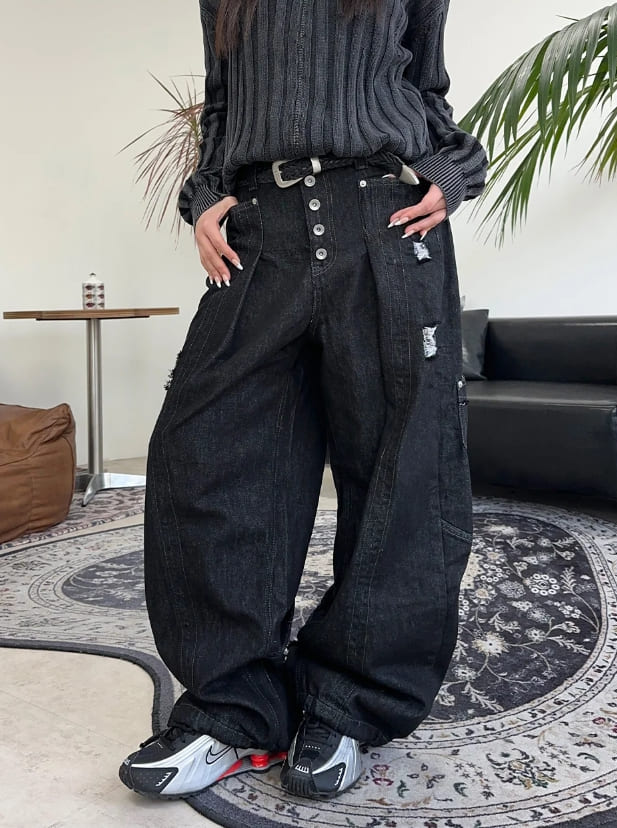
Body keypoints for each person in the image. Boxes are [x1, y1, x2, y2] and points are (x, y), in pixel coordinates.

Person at [119, 0, 488, 802]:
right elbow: (223, 104)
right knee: (203, 453)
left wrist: (453, 175)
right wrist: (205, 197)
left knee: (400, 470)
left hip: (386, 221)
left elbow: (427, 88)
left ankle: (349, 703)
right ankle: (233, 708)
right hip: (262, 233)